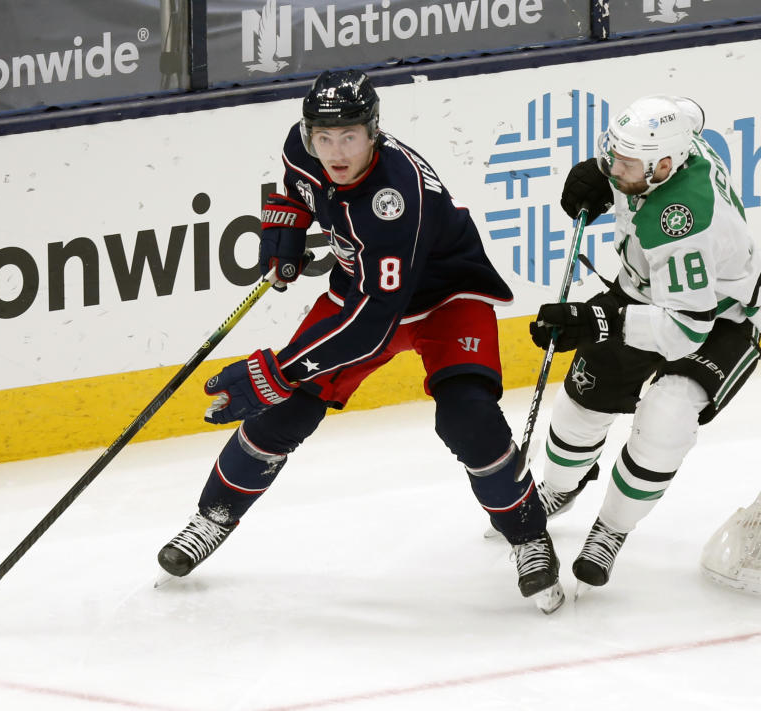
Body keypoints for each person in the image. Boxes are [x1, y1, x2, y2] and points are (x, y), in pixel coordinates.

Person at [157, 68, 564, 613]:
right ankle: (212, 519)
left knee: (468, 419)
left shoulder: (392, 200)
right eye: (323, 137)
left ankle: (529, 535)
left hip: (445, 298)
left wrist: (275, 371)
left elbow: (372, 324)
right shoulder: (303, 150)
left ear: (374, 132)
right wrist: (285, 231)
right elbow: (296, 191)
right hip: (361, 292)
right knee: (286, 413)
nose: (335, 151)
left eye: (349, 136)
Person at [529, 95, 761, 589]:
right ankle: (558, 487)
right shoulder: (675, 143)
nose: (614, 167)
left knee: (667, 415)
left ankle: (612, 529)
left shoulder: (680, 220)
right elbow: (687, 108)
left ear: (664, 166)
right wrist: (605, 174)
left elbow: (683, 331)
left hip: (720, 318)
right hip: (646, 288)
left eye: (625, 163)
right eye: (613, 154)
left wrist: (601, 321)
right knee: (584, 397)